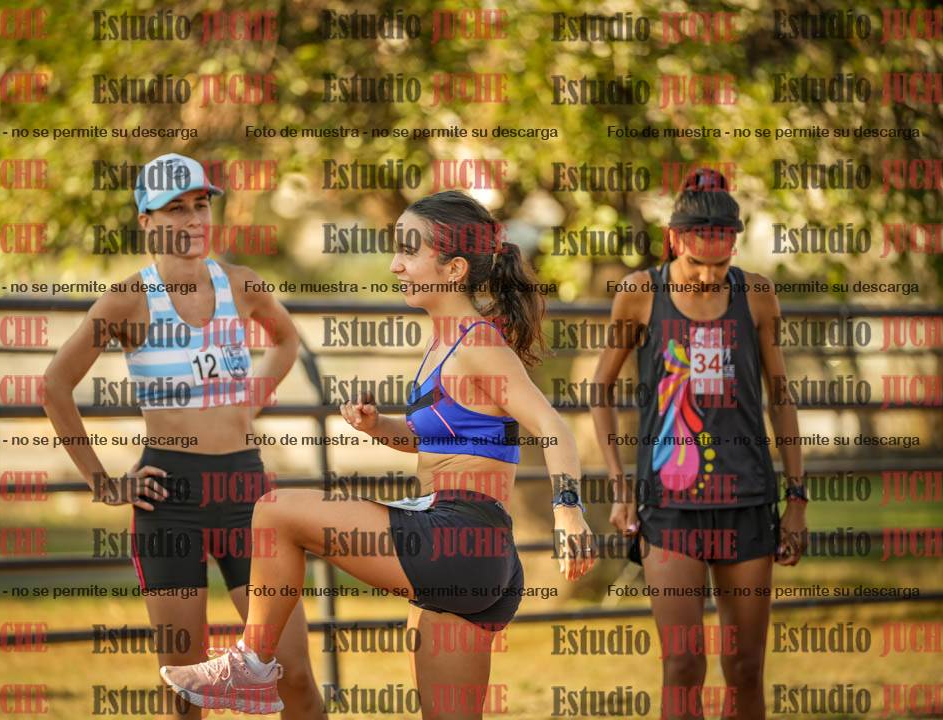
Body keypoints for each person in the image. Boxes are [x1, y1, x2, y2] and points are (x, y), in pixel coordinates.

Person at [159, 189, 598, 717]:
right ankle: (251, 666)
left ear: (454, 268)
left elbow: (551, 425)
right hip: (478, 556)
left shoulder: (478, 342)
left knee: (275, 510)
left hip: (458, 536)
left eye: (410, 252)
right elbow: (445, 439)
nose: (395, 265)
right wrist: (380, 426)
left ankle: (250, 665)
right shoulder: (446, 343)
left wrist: (568, 509)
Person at [42, 153, 323, 719]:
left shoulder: (241, 283)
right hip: (169, 499)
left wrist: (248, 402)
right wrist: (103, 484)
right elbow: (54, 386)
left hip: (246, 494)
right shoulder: (127, 299)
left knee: (292, 672)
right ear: (146, 221)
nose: (194, 219)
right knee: (185, 691)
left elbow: (287, 341)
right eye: (176, 209)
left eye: (201, 205)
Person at [592, 168, 807, 720]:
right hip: (669, 506)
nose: (710, 276)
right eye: (697, 263)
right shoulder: (640, 293)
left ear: (734, 246)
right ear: (674, 240)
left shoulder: (757, 294)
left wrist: (797, 498)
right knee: (684, 666)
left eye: (721, 263)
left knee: (745, 669)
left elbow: (781, 395)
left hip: (747, 500)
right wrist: (619, 488)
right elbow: (600, 391)